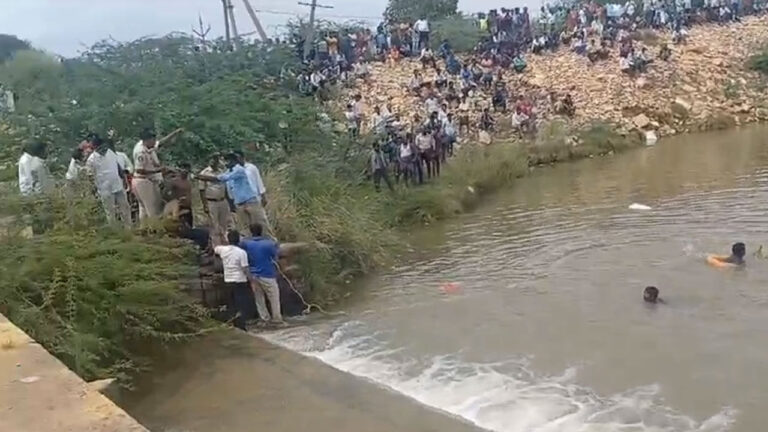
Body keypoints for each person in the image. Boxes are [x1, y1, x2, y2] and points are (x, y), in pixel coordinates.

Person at [240, 223, 308, 326]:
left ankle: (264, 319)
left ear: (251, 232)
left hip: (254, 275)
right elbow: (275, 257)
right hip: (267, 274)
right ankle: (277, 319)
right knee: (274, 297)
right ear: (262, 231)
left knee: (259, 298)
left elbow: (240, 246)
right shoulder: (269, 244)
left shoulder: (247, 244)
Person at [197, 153, 268, 238]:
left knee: (261, 225)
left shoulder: (239, 170)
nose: (224, 163)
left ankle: (273, 245)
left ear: (232, 161)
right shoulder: (228, 171)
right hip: (240, 203)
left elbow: (218, 179)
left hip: (251, 202)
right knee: (246, 229)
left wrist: (199, 177)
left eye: (225, 161)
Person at [86, 135, 132, 227]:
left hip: (117, 184)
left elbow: (118, 167)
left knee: (125, 208)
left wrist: (124, 179)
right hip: (104, 188)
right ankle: (114, 230)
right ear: (95, 147)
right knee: (110, 211)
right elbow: (89, 175)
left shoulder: (110, 153)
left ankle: (128, 228)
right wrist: (93, 188)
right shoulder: (91, 159)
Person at [214, 230, 255, 330]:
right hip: (240, 281)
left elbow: (215, 248)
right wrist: (252, 281)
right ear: (239, 240)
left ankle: (234, 324)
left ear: (228, 239)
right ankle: (242, 326)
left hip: (228, 281)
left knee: (231, 305)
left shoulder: (223, 250)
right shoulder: (241, 253)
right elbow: (245, 269)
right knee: (241, 304)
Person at [235, 150, 271, 234]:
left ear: (243, 158)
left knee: (261, 222)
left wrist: (263, 196)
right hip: (240, 202)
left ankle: (271, 242)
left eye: (238, 158)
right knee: (245, 226)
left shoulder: (251, 168)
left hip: (253, 200)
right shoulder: (234, 170)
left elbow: (258, 181)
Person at [199, 154, 232, 246]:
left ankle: (225, 245)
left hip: (222, 201)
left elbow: (225, 188)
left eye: (216, 160)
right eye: (212, 159)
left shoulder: (222, 172)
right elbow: (201, 190)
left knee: (224, 225)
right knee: (214, 226)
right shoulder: (204, 173)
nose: (214, 162)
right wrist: (205, 205)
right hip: (211, 202)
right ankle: (216, 247)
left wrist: (229, 202)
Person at [132, 128, 164, 221]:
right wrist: (157, 170)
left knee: (143, 209)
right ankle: (155, 229)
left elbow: (161, 143)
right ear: (147, 140)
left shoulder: (147, 146)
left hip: (142, 180)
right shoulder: (140, 151)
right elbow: (139, 169)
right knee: (152, 209)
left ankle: (144, 229)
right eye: (153, 140)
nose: (155, 142)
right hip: (142, 181)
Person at [165, 162, 194, 228]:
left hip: (188, 207)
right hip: (179, 208)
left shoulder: (189, 181)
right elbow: (165, 194)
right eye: (184, 169)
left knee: (190, 227)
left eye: (187, 170)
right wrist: (175, 201)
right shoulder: (174, 181)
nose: (185, 171)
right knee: (181, 227)